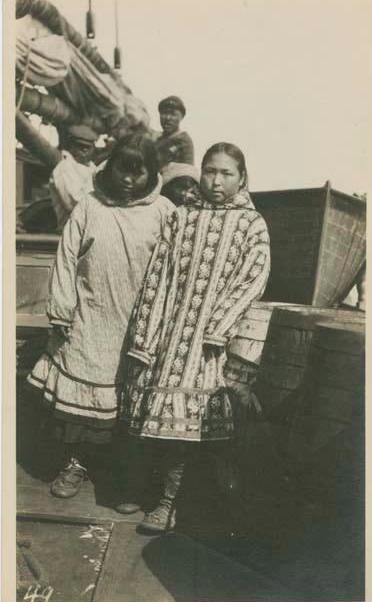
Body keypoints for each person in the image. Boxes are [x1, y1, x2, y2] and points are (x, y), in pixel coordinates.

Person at [119, 142, 270, 531]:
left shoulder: (251, 224)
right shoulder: (181, 217)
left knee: (188, 424)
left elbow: (252, 279)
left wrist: (217, 327)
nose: (216, 181)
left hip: (210, 344)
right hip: (169, 333)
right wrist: (147, 335)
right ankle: (147, 490)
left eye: (226, 174)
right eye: (209, 171)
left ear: (242, 178)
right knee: (154, 413)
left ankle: (169, 503)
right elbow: (158, 274)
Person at [27, 134, 174, 499]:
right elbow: (66, 257)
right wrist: (62, 307)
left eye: (137, 172)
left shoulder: (164, 211)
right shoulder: (90, 206)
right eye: (122, 169)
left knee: (132, 399)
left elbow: (175, 270)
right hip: (92, 316)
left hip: (141, 323)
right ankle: (77, 463)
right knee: (85, 400)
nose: (128, 179)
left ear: (151, 172)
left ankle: (124, 475)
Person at [49, 124, 99, 231]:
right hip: (72, 230)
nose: (84, 150)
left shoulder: (92, 168)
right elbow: (74, 204)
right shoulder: (65, 168)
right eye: (80, 146)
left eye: (88, 147)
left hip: (92, 226)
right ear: (71, 146)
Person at [154, 96, 194, 170]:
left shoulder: (184, 141)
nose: (168, 118)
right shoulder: (155, 139)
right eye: (164, 113)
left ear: (181, 117)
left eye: (173, 114)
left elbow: (187, 173)